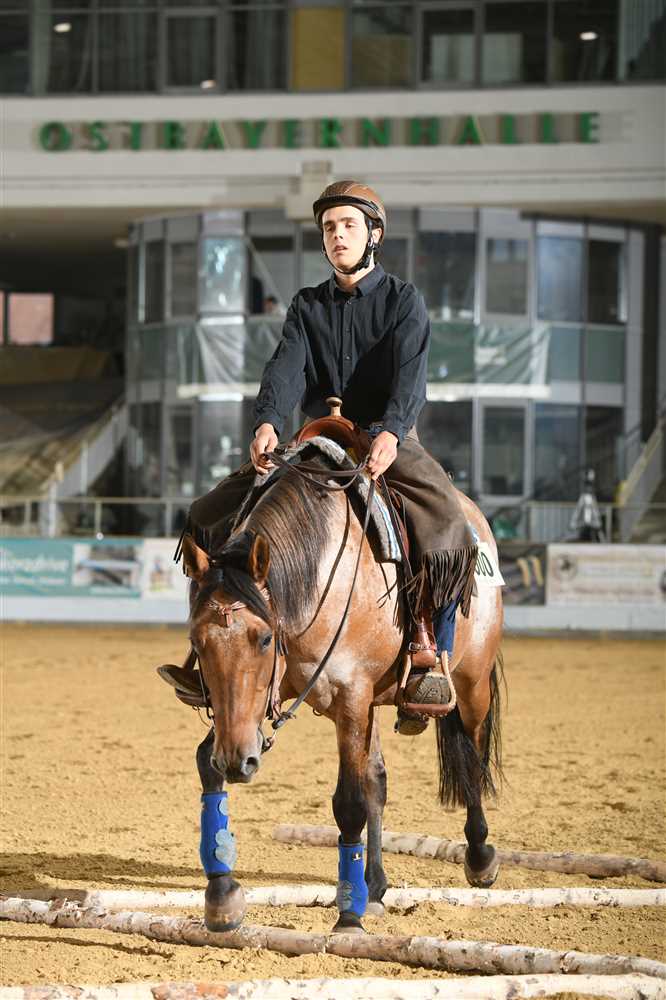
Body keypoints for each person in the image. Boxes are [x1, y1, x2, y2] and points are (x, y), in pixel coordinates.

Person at [161, 180, 478, 735]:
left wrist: (392, 432)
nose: (338, 235)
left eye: (349, 225)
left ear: (374, 234)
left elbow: (411, 379)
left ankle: (429, 647)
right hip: (315, 439)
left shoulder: (404, 300)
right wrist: (266, 421)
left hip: (386, 439)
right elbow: (285, 368)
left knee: (447, 522)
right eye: (330, 227)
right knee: (206, 513)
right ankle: (204, 652)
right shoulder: (306, 305)